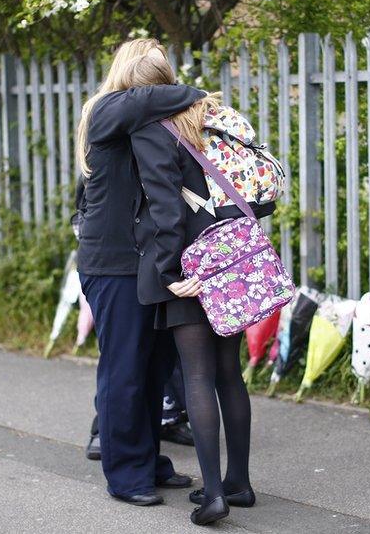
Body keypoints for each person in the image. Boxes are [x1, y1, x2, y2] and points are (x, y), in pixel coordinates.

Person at [119, 54, 256, 526]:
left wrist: (168, 271)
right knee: (228, 374)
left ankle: (213, 493)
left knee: (196, 376)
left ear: (136, 92)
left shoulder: (149, 128)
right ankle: (240, 482)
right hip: (232, 253)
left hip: (192, 262)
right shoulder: (207, 113)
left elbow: (165, 209)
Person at [75, 38, 205, 507]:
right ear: (136, 76)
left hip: (147, 264)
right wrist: (193, 93)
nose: (162, 87)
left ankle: (149, 461)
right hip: (112, 266)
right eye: (157, 76)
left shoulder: (143, 117)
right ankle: (126, 475)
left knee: (153, 370)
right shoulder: (106, 109)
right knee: (125, 370)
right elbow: (149, 98)